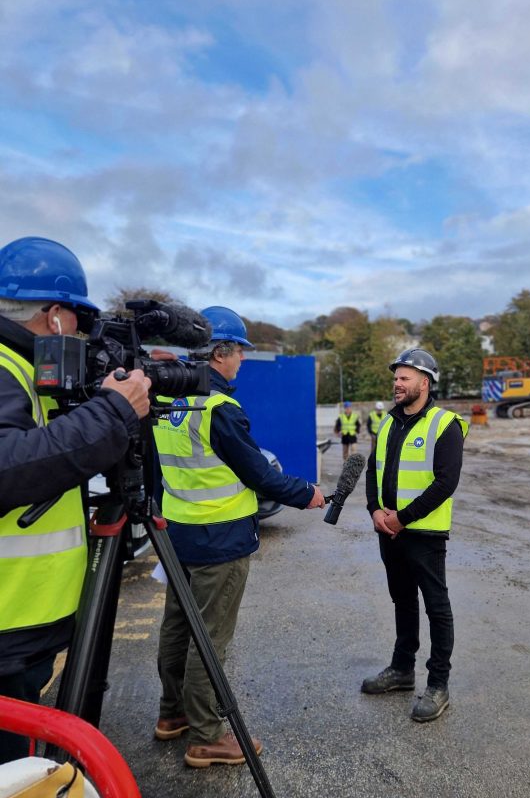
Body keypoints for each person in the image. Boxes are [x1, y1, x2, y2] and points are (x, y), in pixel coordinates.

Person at [153, 305, 325, 768]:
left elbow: (157, 474)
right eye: (240, 352)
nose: (243, 361)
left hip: (179, 537)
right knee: (209, 637)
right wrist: (305, 493)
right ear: (220, 353)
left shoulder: (167, 402)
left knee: (177, 627)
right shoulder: (220, 408)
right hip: (221, 540)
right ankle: (206, 735)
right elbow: (259, 476)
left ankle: (172, 716)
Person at [0, 236, 151, 762]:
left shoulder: (20, 371)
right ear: (56, 315)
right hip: (7, 627)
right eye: (80, 324)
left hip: (19, 625)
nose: (83, 337)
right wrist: (112, 412)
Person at [362, 349, 468, 723]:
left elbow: (446, 482)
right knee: (402, 600)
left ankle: (438, 685)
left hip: (422, 532)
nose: (397, 383)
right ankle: (402, 670)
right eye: (396, 378)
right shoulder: (388, 423)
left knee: (436, 607)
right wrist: (375, 509)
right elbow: (373, 471)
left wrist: (402, 518)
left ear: (425, 383)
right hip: (389, 529)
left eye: (405, 378)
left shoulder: (446, 425)